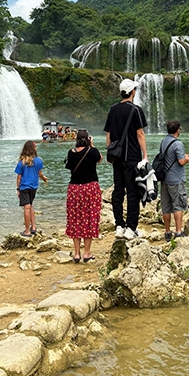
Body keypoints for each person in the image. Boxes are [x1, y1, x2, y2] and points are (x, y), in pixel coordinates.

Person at [104, 78, 148, 240]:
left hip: (116, 158)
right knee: (133, 193)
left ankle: (119, 225)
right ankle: (131, 228)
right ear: (132, 92)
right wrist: (145, 155)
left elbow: (108, 134)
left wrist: (110, 153)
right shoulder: (135, 110)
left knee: (118, 191)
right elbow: (140, 134)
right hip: (132, 157)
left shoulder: (112, 109)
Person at [65, 129, 103, 262]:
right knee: (90, 218)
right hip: (90, 188)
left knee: (75, 219)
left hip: (74, 189)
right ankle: (87, 253)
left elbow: (69, 166)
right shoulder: (92, 151)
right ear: (87, 139)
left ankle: (76, 253)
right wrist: (92, 145)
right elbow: (100, 159)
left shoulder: (71, 152)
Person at [160, 120, 189, 240]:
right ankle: (178, 232)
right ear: (178, 130)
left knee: (166, 207)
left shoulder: (164, 142)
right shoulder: (178, 144)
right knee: (178, 206)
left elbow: (172, 155)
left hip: (164, 179)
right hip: (176, 179)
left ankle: (167, 232)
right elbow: (181, 161)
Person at [15, 141, 48, 237]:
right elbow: (39, 173)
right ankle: (33, 227)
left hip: (24, 187)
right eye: (35, 146)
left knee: (26, 207)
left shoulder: (22, 162)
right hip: (34, 187)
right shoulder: (38, 160)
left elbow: (19, 177)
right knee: (30, 205)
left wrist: (18, 189)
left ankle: (27, 231)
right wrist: (44, 178)